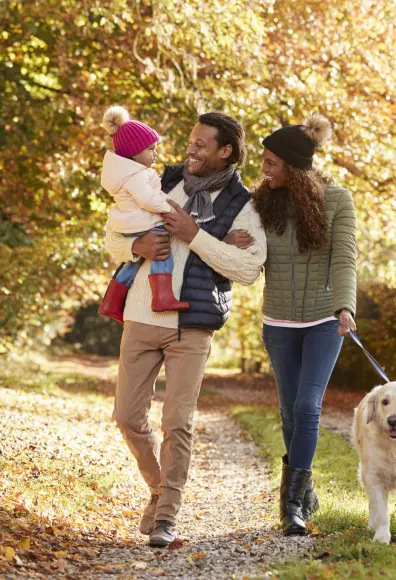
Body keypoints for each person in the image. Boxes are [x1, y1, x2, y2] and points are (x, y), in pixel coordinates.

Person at [104, 112, 267, 547]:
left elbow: (249, 268)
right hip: (141, 315)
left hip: (193, 326)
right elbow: (113, 232)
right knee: (126, 417)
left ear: (225, 151)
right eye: (191, 141)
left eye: (200, 144)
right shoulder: (161, 180)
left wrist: (196, 234)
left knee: (177, 422)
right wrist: (134, 245)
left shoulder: (244, 204)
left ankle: (166, 518)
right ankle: (159, 489)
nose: (190, 149)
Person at [253, 113, 357, 536]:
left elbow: (345, 258)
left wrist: (344, 308)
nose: (264, 168)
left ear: (293, 167)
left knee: (307, 407)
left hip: (322, 321)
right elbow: (247, 252)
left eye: (271, 162)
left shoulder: (339, 200)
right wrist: (238, 243)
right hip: (277, 321)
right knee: (289, 413)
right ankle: (305, 487)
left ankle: (290, 505)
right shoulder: (260, 202)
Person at [99, 105, 190, 322]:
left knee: (133, 263)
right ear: (134, 153)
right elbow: (148, 200)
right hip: (143, 223)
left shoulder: (126, 172)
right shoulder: (135, 175)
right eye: (150, 149)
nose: (155, 153)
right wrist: (168, 207)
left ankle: (111, 302)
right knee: (162, 252)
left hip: (130, 225)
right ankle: (162, 296)